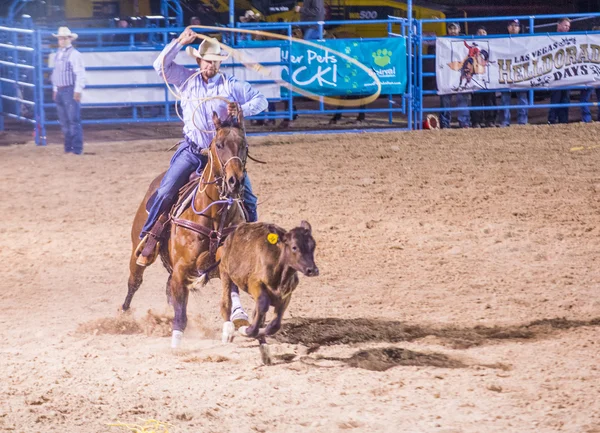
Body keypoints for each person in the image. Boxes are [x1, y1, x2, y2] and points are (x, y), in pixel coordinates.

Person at [137, 29, 267, 269]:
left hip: (223, 155)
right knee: (166, 190)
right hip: (194, 151)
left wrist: (240, 109)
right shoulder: (186, 80)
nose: (212, 66)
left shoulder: (231, 86)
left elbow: (261, 100)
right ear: (199, 61)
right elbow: (160, 66)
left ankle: (249, 244)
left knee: (248, 197)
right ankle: (150, 236)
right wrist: (178, 42)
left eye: (216, 62)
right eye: (208, 61)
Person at [51, 27, 86, 155]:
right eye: (60, 38)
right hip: (61, 90)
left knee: (72, 120)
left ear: (69, 39)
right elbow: (56, 73)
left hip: (69, 90)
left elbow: (80, 73)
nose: (62, 40)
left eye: (64, 38)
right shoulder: (58, 53)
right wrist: (55, 88)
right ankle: (69, 148)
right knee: (65, 121)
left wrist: (77, 90)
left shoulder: (74, 54)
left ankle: (75, 149)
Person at [439, 22, 470, 128]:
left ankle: (464, 122)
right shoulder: (442, 40)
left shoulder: (465, 39)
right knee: (445, 98)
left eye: (454, 28)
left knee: (462, 97)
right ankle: (445, 123)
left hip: (458, 70)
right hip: (448, 72)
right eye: (450, 28)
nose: (452, 31)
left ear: (459, 29)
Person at [499, 19, 528, 127]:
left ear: (519, 28)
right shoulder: (502, 40)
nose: (513, 27)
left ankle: (522, 121)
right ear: (508, 27)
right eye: (511, 25)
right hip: (506, 71)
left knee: (522, 97)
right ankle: (505, 121)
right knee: (505, 98)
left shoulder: (525, 40)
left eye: (516, 25)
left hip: (520, 71)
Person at [470, 26, 496, 128]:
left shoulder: (492, 44)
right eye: (479, 32)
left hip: (488, 76)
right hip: (476, 77)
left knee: (490, 99)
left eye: (483, 32)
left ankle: (490, 120)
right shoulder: (473, 46)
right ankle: (476, 121)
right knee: (476, 99)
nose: (481, 34)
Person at [548, 18, 571, 124]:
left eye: (568, 26)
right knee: (556, 97)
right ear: (559, 25)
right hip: (555, 71)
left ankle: (563, 120)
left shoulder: (571, 38)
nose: (567, 27)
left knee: (565, 98)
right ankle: (552, 119)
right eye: (565, 25)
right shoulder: (550, 37)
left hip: (567, 72)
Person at [579, 25, 600, 123]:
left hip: (590, 74)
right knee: (585, 98)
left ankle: (587, 119)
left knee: (584, 98)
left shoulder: (585, 44)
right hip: (591, 74)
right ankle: (588, 118)